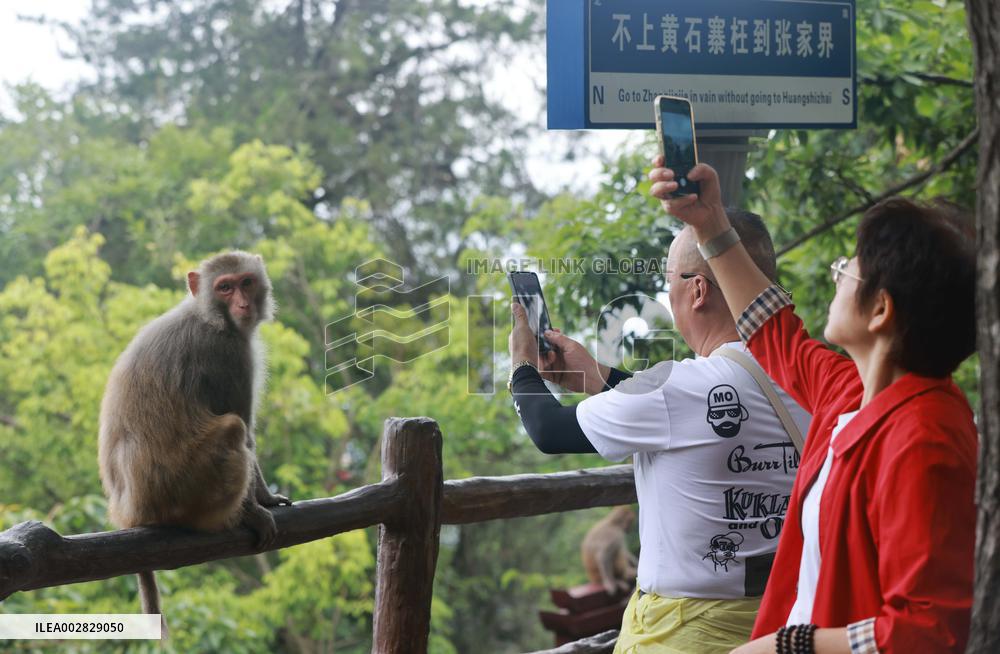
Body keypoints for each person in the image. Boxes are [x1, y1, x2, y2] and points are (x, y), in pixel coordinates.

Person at [647, 155, 977, 654]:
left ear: (882, 309)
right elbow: (773, 330)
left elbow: (927, 629)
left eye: (849, 268)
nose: (836, 275)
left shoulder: (926, 438)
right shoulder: (854, 395)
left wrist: (793, 645)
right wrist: (710, 223)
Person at [507, 211, 811, 654]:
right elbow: (690, 417)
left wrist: (521, 366)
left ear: (698, 289)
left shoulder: (679, 389)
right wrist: (594, 374)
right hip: (779, 620)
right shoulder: (806, 374)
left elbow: (550, 431)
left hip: (684, 633)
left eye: (668, 280)